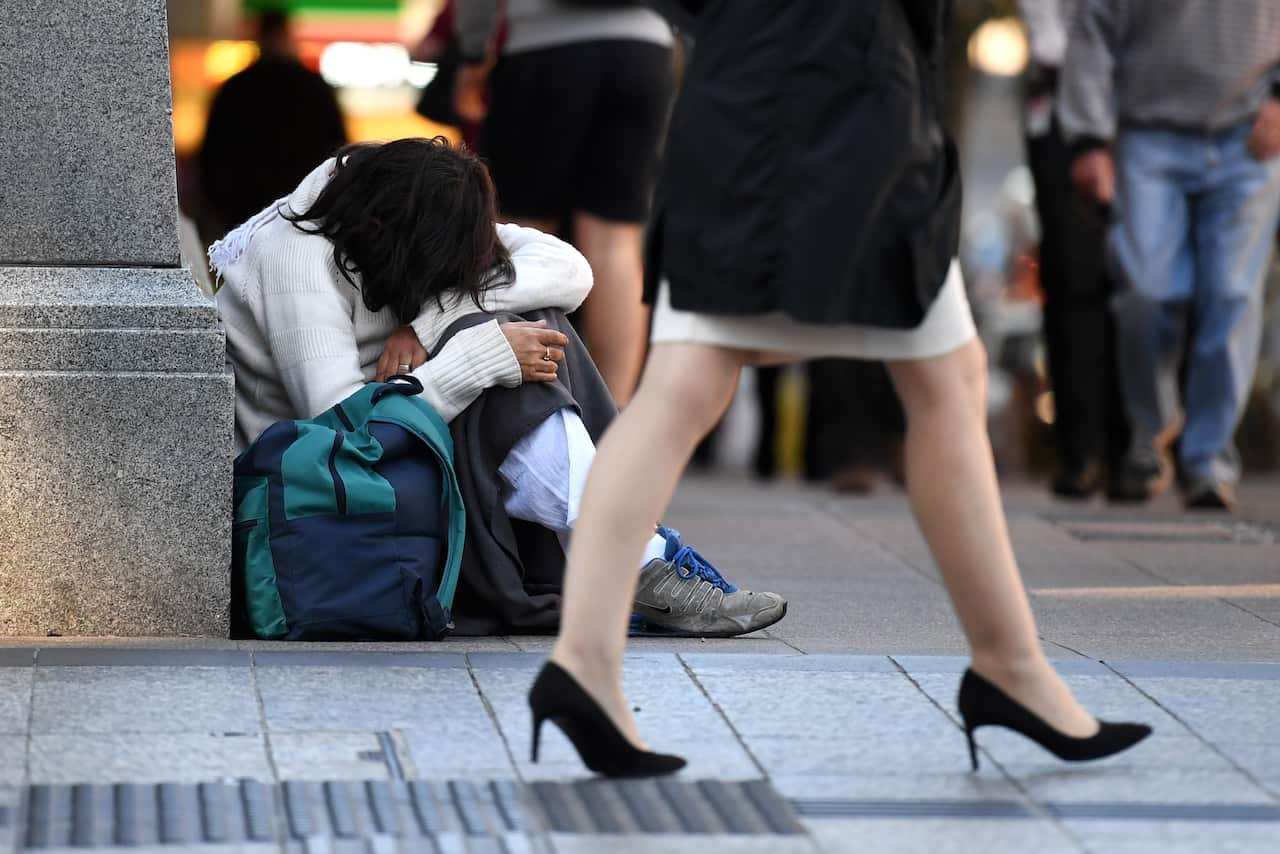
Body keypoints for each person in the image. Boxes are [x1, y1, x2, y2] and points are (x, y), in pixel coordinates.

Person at [528, 1, 1151, 777]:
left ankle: (583, 665)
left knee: (711, 386)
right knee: (905, 383)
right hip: (836, 103)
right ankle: (1009, 669)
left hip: (761, 90)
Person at [209, 137, 786, 637]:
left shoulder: (405, 208)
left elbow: (569, 269)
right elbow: (339, 431)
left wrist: (428, 320)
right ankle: (630, 556)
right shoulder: (294, 264)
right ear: (381, 232)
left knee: (530, 323)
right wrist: (476, 358)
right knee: (500, 339)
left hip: (404, 462)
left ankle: (629, 550)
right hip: (335, 504)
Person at [1059, 0, 1280, 511]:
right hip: (1148, 136)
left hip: (1250, 137)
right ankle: (1151, 429)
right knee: (1146, 292)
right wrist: (1090, 138)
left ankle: (1207, 462)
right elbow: (1091, 32)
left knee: (1232, 294)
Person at [450, 0, 677, 405]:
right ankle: (613, 417)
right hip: (644, 48)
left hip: (542, 48)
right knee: (616, 242)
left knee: (523, 233)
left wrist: (472, 48)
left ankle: (526, 405)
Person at [1017, 0, 1128, 500]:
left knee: (1141, 282)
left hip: (1145, 103)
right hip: (1061, 105)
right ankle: (1081, 450)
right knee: (1070, 282)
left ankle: (1135, 446)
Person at [199, 8, 348, 240]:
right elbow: (338, 149)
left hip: (245, 209)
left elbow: (212, 154)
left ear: (259, 39)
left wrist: (217, 206)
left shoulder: (235, 88)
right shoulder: (315, 88)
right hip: (303, 207)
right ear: (288, 36)